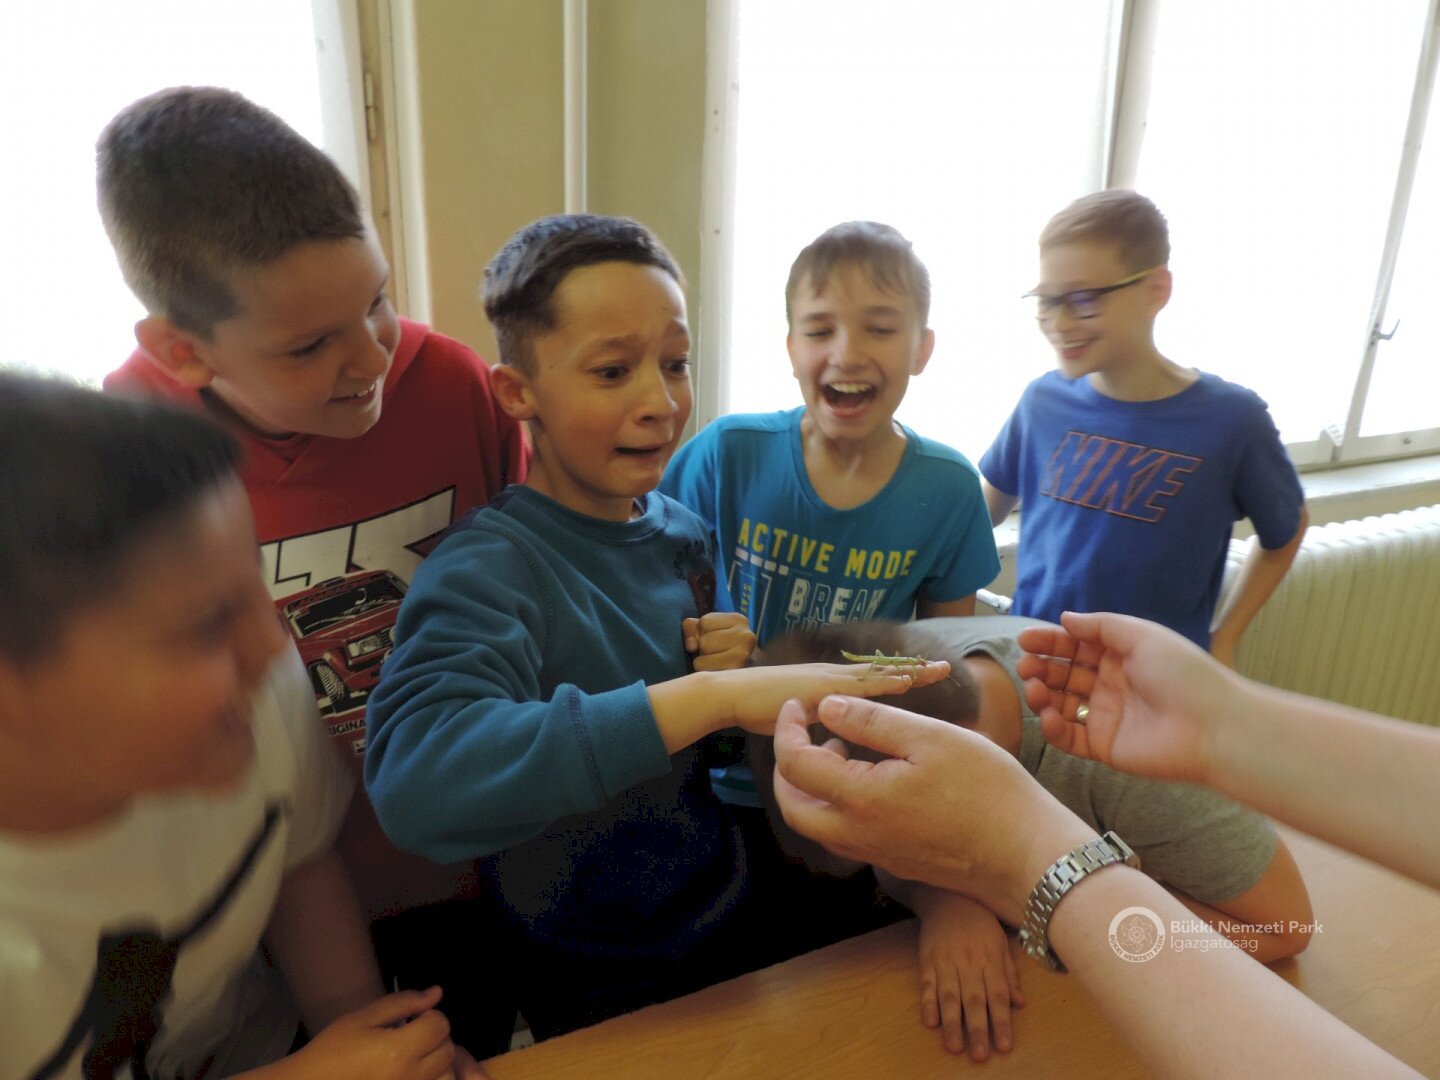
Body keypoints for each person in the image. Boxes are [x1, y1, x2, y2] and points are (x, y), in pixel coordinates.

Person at [362, 213, 951, 1044]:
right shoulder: (487, 568)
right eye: (612, 371)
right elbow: (417, 788)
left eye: (675, 364)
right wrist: (713, 697)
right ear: (518, 392)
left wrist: (737, 675)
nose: (661, 402)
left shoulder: (682, 533)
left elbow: (700, 749)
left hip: (721, 911)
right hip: (585, 965)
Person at [97, 86, 528, 1054]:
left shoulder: (453, 385)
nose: (372, 357)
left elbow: (533, 581)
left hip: (478, 852)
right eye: (308, 346)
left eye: (377, 300)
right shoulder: (124, 461)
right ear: (182, 350)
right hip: (271, 906)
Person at [0, 374, 481, 1080]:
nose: (272, 647)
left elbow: (296, 854)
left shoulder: (252, 697)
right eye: (206, 625)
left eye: (256, 585)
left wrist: (372, 1038)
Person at [767, 610, 1438, 1078]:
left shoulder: (1120, 774)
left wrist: (1030, 891)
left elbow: (1285, 928)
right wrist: (944, 895)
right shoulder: (931, 672)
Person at [659, 220, 999, 941]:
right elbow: (649, 588)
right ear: (791, 348)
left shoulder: (948, 489)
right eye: (819, 330)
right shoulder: (726, 453)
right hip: (714, 785)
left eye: (880, 328)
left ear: (922, 348)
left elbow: (944, 671)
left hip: (851, 791)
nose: (846, 352)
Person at [979, 190, 1307, 668]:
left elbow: (1287, 531)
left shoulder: (1233, 420)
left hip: (1158, 679)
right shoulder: (1041, 403)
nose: (1060, 322)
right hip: (1038, 666)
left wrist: (1227, 636)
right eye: (1047, 301)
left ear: (1155, 290)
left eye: (1084, 300)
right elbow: (979, 514)